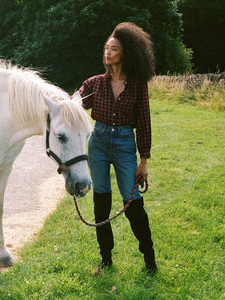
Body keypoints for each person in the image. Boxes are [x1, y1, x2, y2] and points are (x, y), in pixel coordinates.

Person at [78, 22, 157, 274]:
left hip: (124, 143)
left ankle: (149, 256)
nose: (108, 53)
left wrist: (143, 161)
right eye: (106, 48)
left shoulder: (137, 85)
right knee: (101, 202)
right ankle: (106, 258)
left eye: (113, 49)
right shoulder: (94, 83)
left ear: (126, 52)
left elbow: (144, 121)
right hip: (98, 143)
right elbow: (74, 103)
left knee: (133, 203)